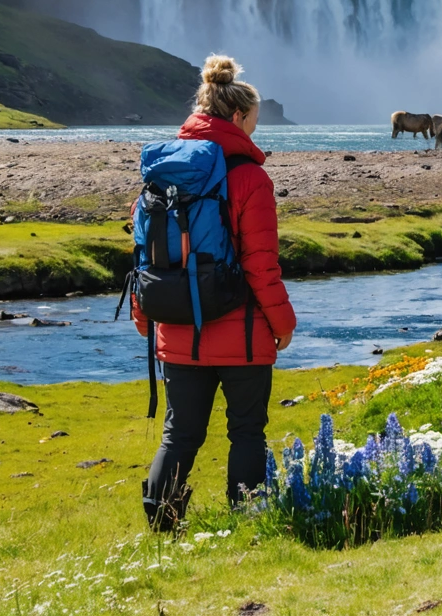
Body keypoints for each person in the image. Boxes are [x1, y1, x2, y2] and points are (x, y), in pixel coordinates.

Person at [133, 54, 296, 529]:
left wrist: (149, 321)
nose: (254, 133)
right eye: (254, 123)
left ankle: (163, 530)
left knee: (179, 434)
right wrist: (282, 324)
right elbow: (261, 265)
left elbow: (145, 255)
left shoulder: (161, 174)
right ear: (238, 117)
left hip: (176, 330)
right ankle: (249, 523)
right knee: (247, 432)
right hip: (241, 334)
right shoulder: (250, 178)